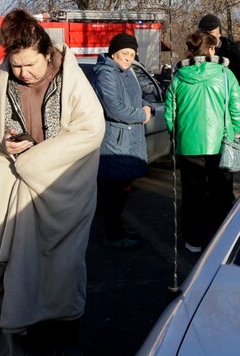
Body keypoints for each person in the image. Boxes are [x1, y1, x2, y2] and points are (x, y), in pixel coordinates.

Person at [0, 9, 105, 355]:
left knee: (62, 276)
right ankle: (24, 343)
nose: (23, 73)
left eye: (30, 65)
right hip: (15, 202)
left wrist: (32, 159)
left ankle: (63, 344)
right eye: (16, 65)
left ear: (47, 53)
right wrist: (1, 145)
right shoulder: (0, 82)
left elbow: (91, 129)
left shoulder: (71, 79)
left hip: (62, 197)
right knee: (20, 278)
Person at [164, 31, 240, 253]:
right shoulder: (225, 74)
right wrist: (236, 131)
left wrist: (177, 134)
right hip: (221, 142)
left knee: (192, 195)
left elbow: (170, 113)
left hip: (188, 144)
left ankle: (194, 240)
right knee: (221, 192)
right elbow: (237, 106)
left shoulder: (179, 77)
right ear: (210, 50)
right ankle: (221, 239)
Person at [92, 33, 154, 249]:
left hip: (128, 140)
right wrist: (142, 115)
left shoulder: (127, 73)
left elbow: (139, 99)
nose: (129, 58)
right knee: (113, 194)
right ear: (113, 52)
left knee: (122, 192)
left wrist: (149, 108)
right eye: (125, 53)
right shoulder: (106, 75)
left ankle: (117, 231)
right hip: (114, 143)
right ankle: (113, 236)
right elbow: (115, 109)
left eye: (132, 54)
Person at [198, 14, 240, 94]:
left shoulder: (232, 54)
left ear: (220, 33)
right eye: (204, 33)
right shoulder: (195, 54)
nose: (208, 36)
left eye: (211, 32)